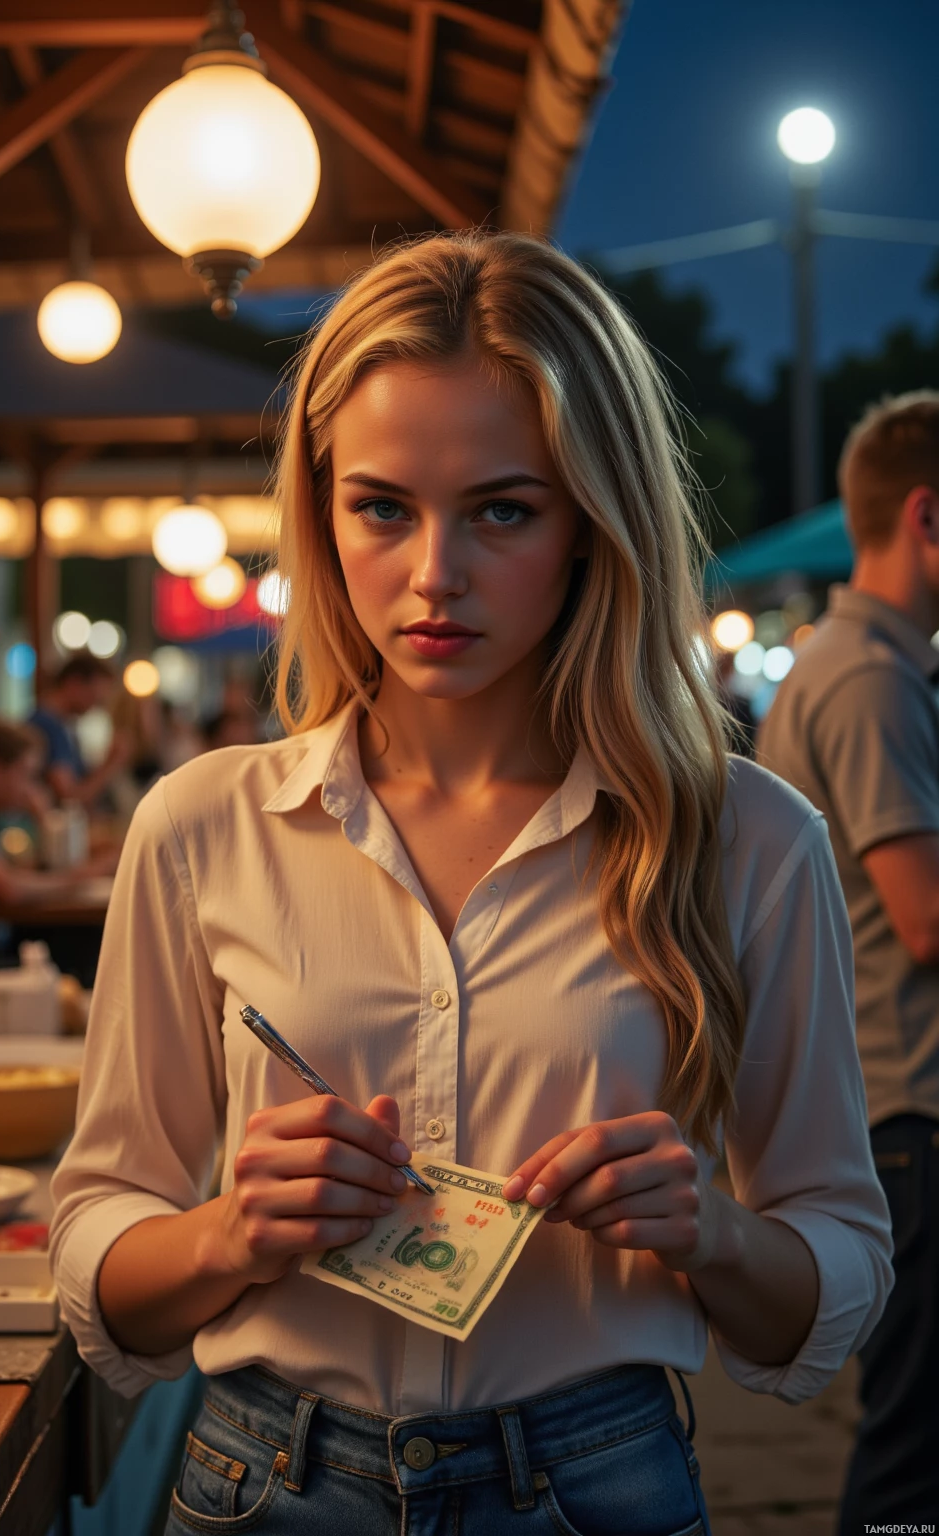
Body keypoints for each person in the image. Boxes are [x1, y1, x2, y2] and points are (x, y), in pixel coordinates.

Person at [51, 233, 892, 1536]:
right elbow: (97, 1249)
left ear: (591, 523)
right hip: (259, 1480)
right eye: (383, 506)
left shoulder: (751, 840)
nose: (434, 574)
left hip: (596, 1479)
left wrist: (711, 1232)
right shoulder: (203, 824)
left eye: (503, 508)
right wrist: (232, 1231)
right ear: (323, 516)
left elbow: (838, 1273)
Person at [758, 390, 939, 1534]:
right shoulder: (870, 679)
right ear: (926, 516)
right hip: (910, 1108)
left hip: (878, 1101)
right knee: (915, 1454)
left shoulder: (840, 662)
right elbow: (924, 917)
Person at [0, 719, 110, 981]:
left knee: (77, 951)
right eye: (26, 775)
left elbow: (24, 872)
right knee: (77, 962)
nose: (32, 788)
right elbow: (9, 888)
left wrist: (43, 821)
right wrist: (79, 879)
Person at [29, 654, 130, 808]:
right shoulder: (46, 726)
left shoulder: (65, 727)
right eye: (93, 696)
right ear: (74, 683)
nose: (95, 705)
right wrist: (111, 763)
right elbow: (69, 798)